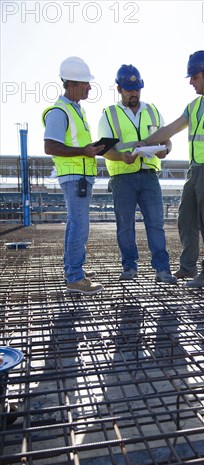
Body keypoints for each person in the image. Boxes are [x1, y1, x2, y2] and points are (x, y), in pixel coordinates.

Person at [139, 50, 204, 288]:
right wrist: (146, 142)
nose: (191, 82)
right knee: (185, 219)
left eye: (194, 77)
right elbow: (172, 128)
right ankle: (188, 267)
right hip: (195, 171)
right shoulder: (194, 106)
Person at [98, 64, 177, 284]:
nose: (134, 93)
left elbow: (167, 139)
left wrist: (166, 150)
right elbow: (104, 149)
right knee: (125, 225)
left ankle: (163, 270)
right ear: (119, 89)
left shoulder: (152, 110)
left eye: (137, 89)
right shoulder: (109, 114)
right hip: (123, 178)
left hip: (149, 176)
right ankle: (129, 267)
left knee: (156, 225)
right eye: (129, 89)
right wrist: (123, 157)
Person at [42, 56, 104, 295]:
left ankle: (73, 269)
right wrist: (83, 152)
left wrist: (91, 150)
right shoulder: (60, 111)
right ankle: (75, 277)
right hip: (74, 177)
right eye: (85, 83)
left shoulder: (76, 110)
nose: (89, 87)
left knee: (74, 225)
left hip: (81, 176)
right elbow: (50, 146)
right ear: (71, 83)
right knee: (80, 226)